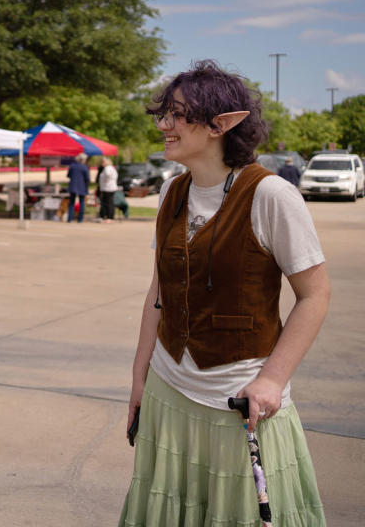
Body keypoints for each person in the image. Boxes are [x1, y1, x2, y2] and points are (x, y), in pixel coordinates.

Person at [119, 60, 329, 526]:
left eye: (175, 115)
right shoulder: (171, 193)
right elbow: (159, 293)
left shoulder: (272, 196)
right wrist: (139, 380)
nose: (163, 125)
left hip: (237, 398)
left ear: (220, 124)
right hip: (169, 391)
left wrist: (272, 380)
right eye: (163, 114)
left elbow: (315, 295)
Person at [66, 152, 90, 223]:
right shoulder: (84, 167)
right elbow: (87, 178)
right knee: (81, 202)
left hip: (73, 186)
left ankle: (70, 218)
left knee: (72, 203)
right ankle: (80, 219)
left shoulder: (72, 166)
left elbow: (68, 175)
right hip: (82, 186)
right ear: (83, 160)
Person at [98, 157, 119, 222]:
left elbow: (108, 174)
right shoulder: (110, 168)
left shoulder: (108, 168)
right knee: (107, 203)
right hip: (107, 188)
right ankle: (106, 216)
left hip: (108, 188)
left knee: (108, 203)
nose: (102, 163)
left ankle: (110, 217)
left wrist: (107, 179)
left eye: (103, 162)